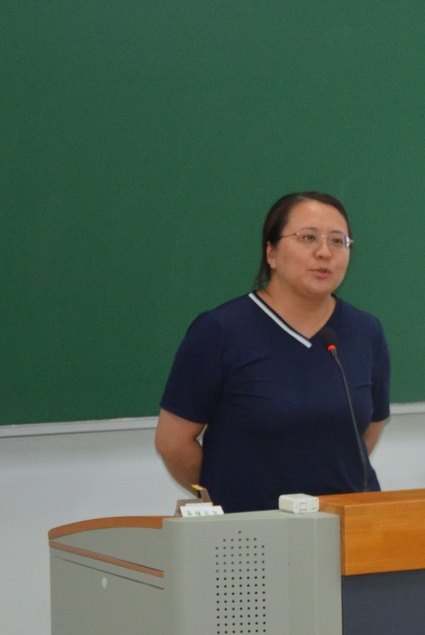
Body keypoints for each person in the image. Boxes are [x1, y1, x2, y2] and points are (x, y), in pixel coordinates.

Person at [155, 192, 390, 512]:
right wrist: (223, 493)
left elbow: (369, 430)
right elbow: (173, 443)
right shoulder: (221, 331)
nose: (324, 252)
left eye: (338, 241)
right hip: (254, 526)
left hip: (349, 520)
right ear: (271, 253)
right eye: (308, 238)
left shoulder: (365, 331)